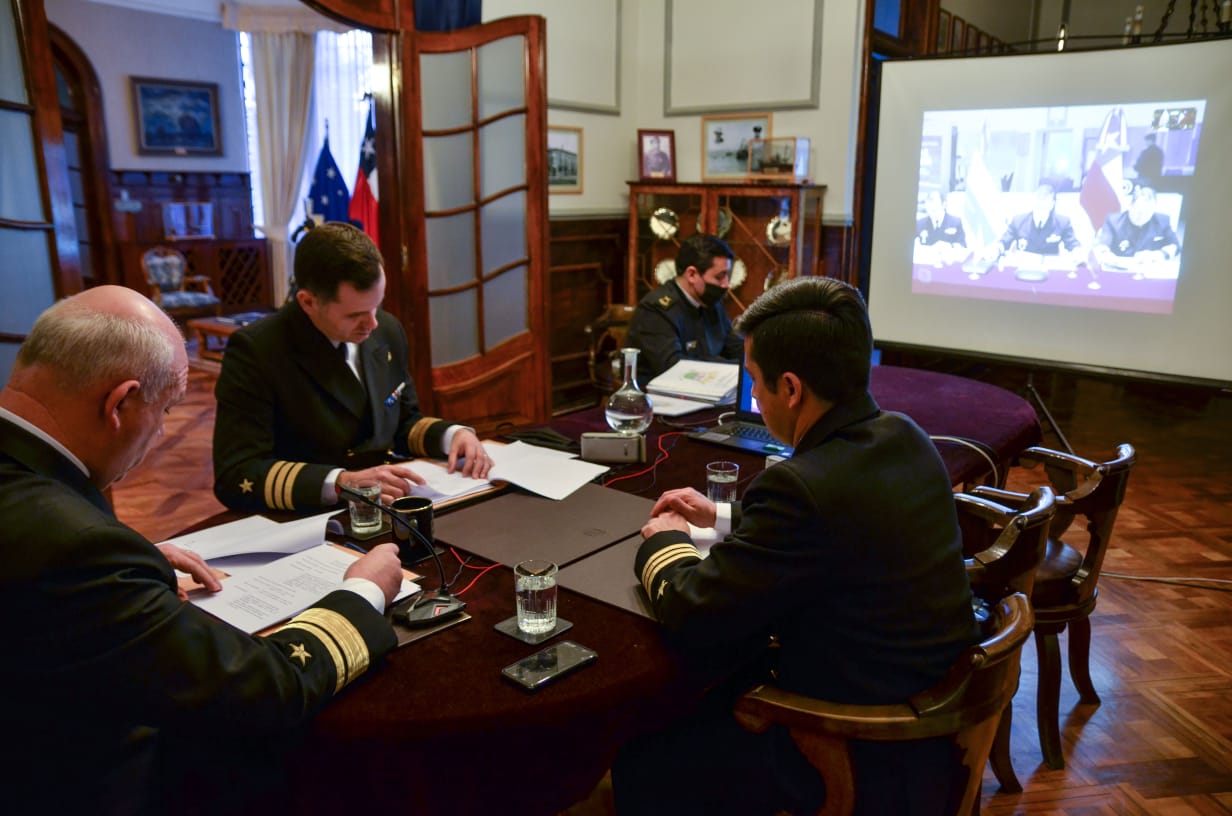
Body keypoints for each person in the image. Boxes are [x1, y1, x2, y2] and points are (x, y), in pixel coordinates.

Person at [0, 285, 405, 814]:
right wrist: (363, 591)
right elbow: (265, 690)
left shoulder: (53, 518)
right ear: (119, 403)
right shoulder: (75, 547)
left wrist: (125, 566)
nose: (164, 431)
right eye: (166, 410)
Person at [612, 277, 980, 815]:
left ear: (791, 388)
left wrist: (665, 542)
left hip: (858, 746)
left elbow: (694, 610)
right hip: (927, 718)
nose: (754, 396)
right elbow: (844, 525)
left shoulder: (801, 485)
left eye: (755, 381)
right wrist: (722, 514)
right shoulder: (905, 435)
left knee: (641, 751)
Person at [213, 221, 491, 513]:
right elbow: (236, 474)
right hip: (314, 519)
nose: (372, 324)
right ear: (308, 302)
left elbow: (402, 423)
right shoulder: (258, 350)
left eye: (376, 306)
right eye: (355, 314)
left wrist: (453, 436)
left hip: (388, 504)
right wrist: (340, 482)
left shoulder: (386, 329)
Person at [624, 233, 744, 384]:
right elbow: (675, 368)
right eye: (720, 277)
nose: (726, 284)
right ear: (692, 274)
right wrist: (729, 368)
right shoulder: (656, 310)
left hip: (706, 389)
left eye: (728, 275)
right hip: (659, 398)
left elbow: (734, 346)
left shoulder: (710, 301)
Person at [1093, 185, 1180, 269]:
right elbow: (1102, 245)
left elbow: (1175, 246)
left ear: (1154, 210)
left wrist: (1158, 255)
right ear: (1130, 206)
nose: (1142, 216)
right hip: (1118, 268)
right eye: (1138, 211)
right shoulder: (1113, 221)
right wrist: (1106, 256)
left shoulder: (1163, 221)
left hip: (1149, 270)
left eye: (1148, 212)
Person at [992, 183, 1084, 262]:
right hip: (1024, 265)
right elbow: (1004, 242)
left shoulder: (1062, 222)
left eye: (1043, 208)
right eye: (1037, 206)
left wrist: (1078, 253)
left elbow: (1073, 244)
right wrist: (996, 250)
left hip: (1049, 268)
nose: (1040, 211)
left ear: (1052, 205)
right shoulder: (1018, 221)